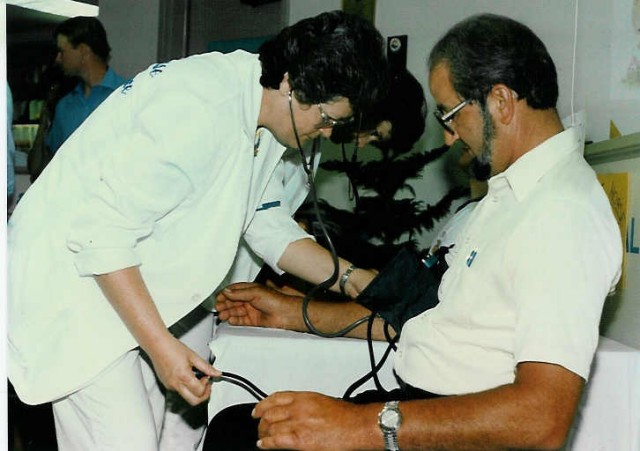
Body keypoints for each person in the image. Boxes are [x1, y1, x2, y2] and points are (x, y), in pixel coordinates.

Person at [209, 13, 622, 450]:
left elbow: (542, 417)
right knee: (238, 426)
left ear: (500, 101)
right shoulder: (510, 197)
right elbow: (428, 320)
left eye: (451, 116)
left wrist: (362, 426)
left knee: (239, 439)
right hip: (413, 405)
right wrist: (297, 315)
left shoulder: (562, 213)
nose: (447, 139)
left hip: (439, 427)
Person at [7, 10, 388, 450]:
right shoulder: (200, 105)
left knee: (161, 432)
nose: (324, 132)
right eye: (326, 120)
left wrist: (351, 278)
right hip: (73, 286)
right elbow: (99, 236)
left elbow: (263, 222)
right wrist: (163, 349)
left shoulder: (258, 113)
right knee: (127, 441)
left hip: (122, 287)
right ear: (292, 83)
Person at [157, 69, 428, 451]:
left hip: (214, 292)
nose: (363, 144)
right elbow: (266, 227)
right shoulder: (277, 123)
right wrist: (359, 281)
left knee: (186, 427)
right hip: (179, 288)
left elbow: (274, 223)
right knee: (158, 427)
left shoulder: (309, 140)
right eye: (372, 134)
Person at [46, 16, 127, 154]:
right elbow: (56, 159)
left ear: (83, 51)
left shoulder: (128, 95)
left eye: (62, 51)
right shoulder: (64, 106)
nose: (58, 59)